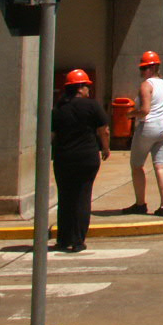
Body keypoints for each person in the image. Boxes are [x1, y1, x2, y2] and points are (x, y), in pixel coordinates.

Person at [51, 69, 110, 253]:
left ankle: (63, 239)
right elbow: (104, 130)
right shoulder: (92, 106)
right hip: (87, 157)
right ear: (80, 88)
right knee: (82, 197)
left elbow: (52, 135)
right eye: (87, 86)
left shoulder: (58, 108)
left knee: (66, 197)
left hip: (63, 158)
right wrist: (106, 148)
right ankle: (78, 240)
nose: (89, 90)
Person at [122, 50, 163, 217]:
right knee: (161, 165)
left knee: (137, 165)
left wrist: (130, 114)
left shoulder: (146, 85)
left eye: (143, 69)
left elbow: (144, 110)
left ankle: (140, 203)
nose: (142, 73)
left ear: (151, 68)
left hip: (148, 126)